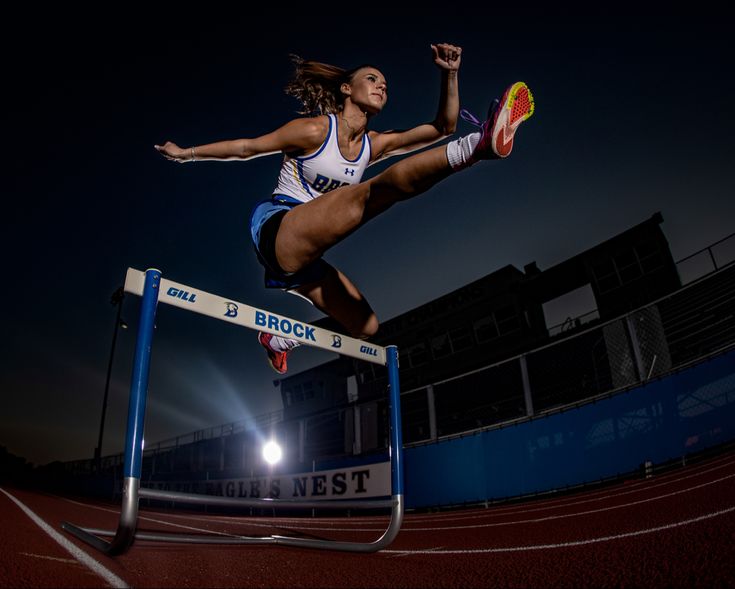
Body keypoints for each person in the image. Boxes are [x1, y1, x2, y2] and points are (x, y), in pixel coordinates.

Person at [155, 43, 534, 374]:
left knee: (366, 327)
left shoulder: (375, 145)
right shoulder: (315, 131)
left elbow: (442, 126)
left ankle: (280, 342)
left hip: (306, 257)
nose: (381, 85)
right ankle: (478, 146)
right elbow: (245, 148)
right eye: (372, 79)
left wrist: (450, 75)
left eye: (385, 84)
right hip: (278, 227)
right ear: (346, 89)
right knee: (372, 194)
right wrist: (185, 154)